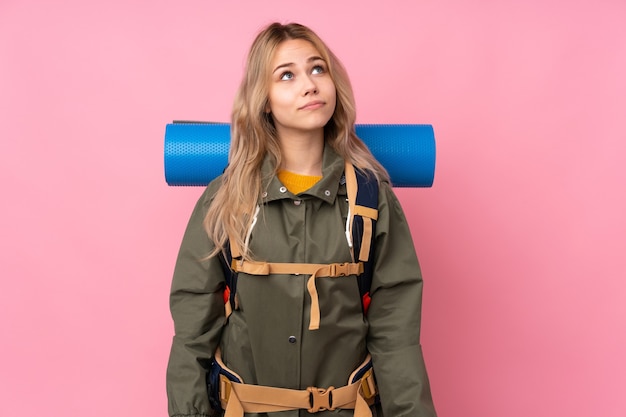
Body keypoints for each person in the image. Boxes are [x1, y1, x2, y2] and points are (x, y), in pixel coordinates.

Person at [166, 22, 437, 417]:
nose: (309, 85)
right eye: (287, 75)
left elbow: (397, 336)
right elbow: (192, 331)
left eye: (318, 69)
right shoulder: (225, 200)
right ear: (264, 100)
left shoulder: (371, 200)